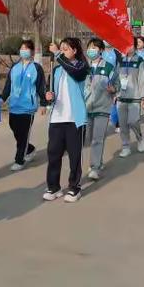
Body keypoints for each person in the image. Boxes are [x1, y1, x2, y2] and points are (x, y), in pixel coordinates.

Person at [44, 38, 89, 203]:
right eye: (61, 49)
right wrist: (48, 97)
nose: (62, 51)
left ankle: (74, 188)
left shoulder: (81, 66)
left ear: (75, 50)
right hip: (57, 117)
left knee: (74, 155)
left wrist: (57, 54)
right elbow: (49, 92)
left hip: (74, 118)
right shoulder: (56, 70)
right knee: (53, 153)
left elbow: (75, 73)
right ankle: (53, 187)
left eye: (65, 49)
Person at [0, 40, 47, 172]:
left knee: (24, 134)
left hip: (28, 108)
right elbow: (8, 86)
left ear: (31, 52)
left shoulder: (36, 68)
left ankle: (19, 160)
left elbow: (41, 87)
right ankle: (30, 149)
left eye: (26, 48)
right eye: (21, 48)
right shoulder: (14, 67)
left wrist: (43, 104)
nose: (23, 50)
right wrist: (1, 99)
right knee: (16, 131)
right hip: (14, 106)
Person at [84, 38, 119, 180]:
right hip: (87, 107)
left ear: (101, 50)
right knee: (90, 138)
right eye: (90, 47)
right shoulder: (85, 68)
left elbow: (117, 84)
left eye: (94, 47)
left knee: (98, 138)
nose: (91, 50)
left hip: (103, 107)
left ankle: (95, 167)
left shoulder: (109, 67)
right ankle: (98, 161)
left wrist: (114, 89)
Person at [116, 38, 144, 157]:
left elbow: (142, 80)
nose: (128, 48)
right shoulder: (121, 61)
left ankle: (140, 138)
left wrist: (143, 97)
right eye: (126, 45)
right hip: (121, 97)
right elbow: (116, 79)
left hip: (134, 97)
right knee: (123, 124)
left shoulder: (140, 61)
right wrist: (115, 94)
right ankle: (125, 146)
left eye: (130, 45)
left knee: (133, 121)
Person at [102, 40, 122, 133]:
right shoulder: (100, 52)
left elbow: (119, 69)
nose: (106, 41)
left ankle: (118, 123)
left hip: (114, 82)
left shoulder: (117, 53)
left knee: (115, 104)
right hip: (101, 82)